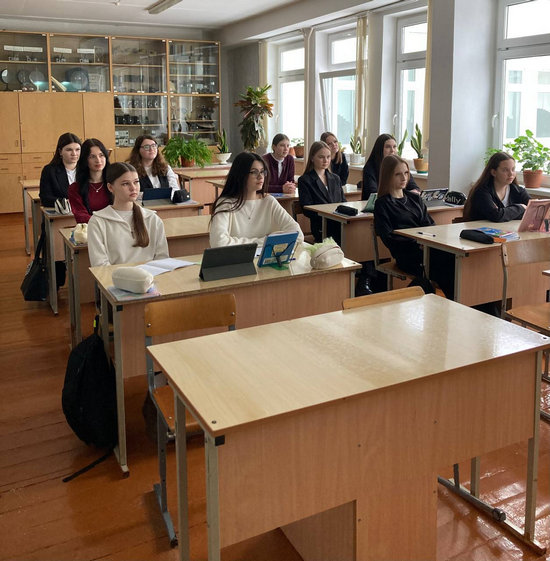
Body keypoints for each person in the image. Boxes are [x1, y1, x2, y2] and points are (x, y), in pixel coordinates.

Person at [373, 154, 454, 298]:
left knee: (453, 260)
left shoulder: (415, 198)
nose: (404, 178)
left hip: (427, 249)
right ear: (388, 176)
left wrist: (428, 242)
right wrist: (417, 243)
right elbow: (388, 237)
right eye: (398, 174)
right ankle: (453, 302)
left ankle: (460, 302)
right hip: (407, 255)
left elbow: (430, 225)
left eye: (406, 173)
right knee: (445, 266)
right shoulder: (382, 204)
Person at [209, 152, 303, 248]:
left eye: (262, 172)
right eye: (254, 172)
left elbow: (298, 235)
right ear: (240, 175)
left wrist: (250, 243)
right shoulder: (225, 204)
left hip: (265, 258)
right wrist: (267, 241)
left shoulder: (269, 201)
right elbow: (218, 243)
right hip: (236, 258)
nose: (260, 177)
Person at [88, 162, 169, 267]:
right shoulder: (98, 221)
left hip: (151, 276)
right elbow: (100, 265)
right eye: (125, 184)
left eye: (136, 182)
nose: (133, 188)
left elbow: (162, 259)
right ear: (110, 187)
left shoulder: (152, 218)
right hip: (115, 277)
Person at [298, 141, 346, 243]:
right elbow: (307, 209)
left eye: (328, 157)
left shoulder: (336, 178)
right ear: (312, 158)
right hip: (321, 226)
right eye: (321, 157)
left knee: (353, 232)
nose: (326, 160)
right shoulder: (305, 180)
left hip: (339, 223)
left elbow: (343, 202)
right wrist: (328, 215)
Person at [463, 151, 529, 222]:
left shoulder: (519, 191)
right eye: (505, 170)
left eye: (513, 169)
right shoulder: (481, 191)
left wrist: (506, 213)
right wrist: (521, 207)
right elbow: (496, 216)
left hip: (507, 228)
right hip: (481, 228)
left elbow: (534, 211)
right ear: (494, 172)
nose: (511, 174)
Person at [362, 133, 419, 199]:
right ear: (380, 149)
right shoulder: (370, 168)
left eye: (394, 147)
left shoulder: (400, 166)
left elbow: (414, 187)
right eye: (388, 147)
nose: (392, 150)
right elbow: (373, 192)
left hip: (399, 202)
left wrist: (414, 192)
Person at [68, 138, 110, 224]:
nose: (98, 160)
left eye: (101, 155)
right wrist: (102, 224)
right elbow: (81, 215)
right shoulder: (75, 188)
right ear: (85, 160)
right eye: (92, 157)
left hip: (116, 227)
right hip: (91, 229)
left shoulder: (115, 183)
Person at [39, 132, 82, 207]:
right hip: (62, 212)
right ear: (60, 151)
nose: (74, 153)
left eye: (77, 149)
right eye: (69, 150)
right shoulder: (49, 171)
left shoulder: (86, 169)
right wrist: (66, 203)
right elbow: (45, 199)